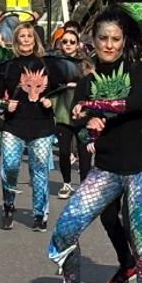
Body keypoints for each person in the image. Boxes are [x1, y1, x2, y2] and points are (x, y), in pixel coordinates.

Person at [38, 6, 142, 283]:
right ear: (92, 42)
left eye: (115, 39)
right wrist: (85, 120)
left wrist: (95, 108)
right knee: (65, 230)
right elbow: (76, 118)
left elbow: (136, 104)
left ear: (124, 42)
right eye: (103, 39)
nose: (109, 45)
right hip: (106, 169)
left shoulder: (139, 70)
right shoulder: (87, 82)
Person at [0, 22, 58, 232]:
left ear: (35, 40)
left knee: (38, 170)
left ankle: (40, 214)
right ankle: (8, 206)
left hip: (42, 126)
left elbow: (63, 93)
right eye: (22, 36)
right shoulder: (7, 67)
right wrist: (4, 104)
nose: (26, 39)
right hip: (14, 125)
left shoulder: (49, 66)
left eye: (30, 35)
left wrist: (52, 103)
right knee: (10, 167)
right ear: (16, 40)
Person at [49, 28, 87, 199]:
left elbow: (93, 84)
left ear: (78, 43)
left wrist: (77, 86)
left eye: (72, 41)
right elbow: (49, 83)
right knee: (64, 151)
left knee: (85, 152)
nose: (68, 44)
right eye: (65, 41)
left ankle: (85, 186)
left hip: (83, 112)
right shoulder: (55, 61)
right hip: (62, 109)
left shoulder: (86, 62)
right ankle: (66, 183)